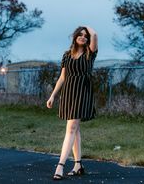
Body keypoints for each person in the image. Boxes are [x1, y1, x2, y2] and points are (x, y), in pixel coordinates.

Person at [46, 25, 98, 180]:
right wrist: (53, 95)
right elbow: (62, 77)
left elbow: (95, 34)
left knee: (72, 128)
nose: (83, 37)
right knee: (75, 130)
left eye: (85, 35)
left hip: (83, 92)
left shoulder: (90, 53)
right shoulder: (67, 55)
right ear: (75, 36)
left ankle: (60, 166)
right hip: (69, 92)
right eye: (80, 34)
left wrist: (86, 26)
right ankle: (78, 164)